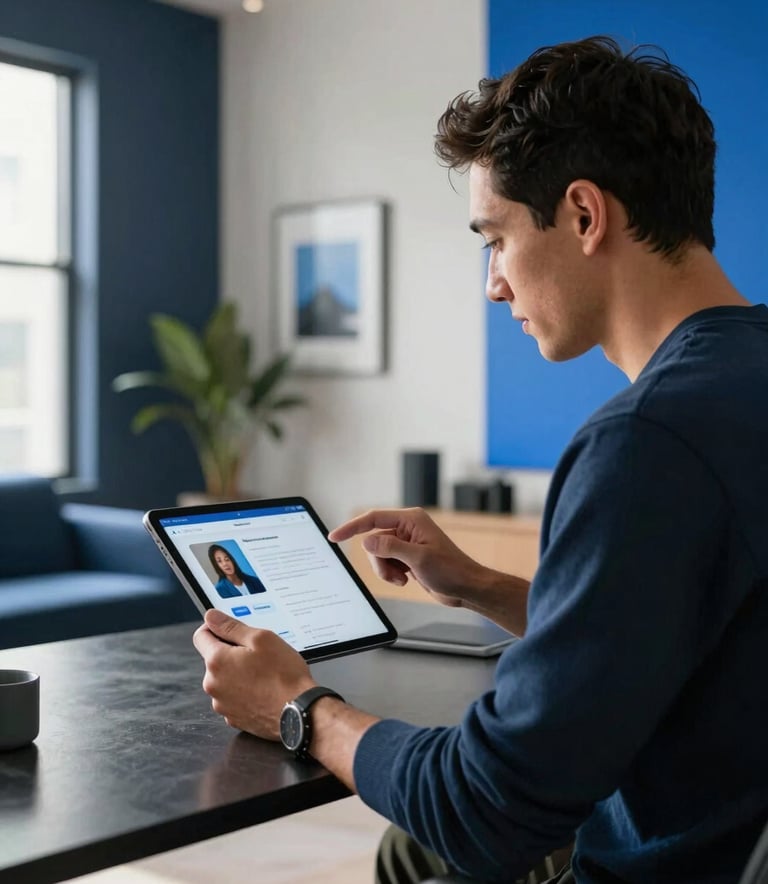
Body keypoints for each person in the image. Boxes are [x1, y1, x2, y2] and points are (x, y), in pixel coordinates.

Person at [192, 35, 768, 884]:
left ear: (584, 215)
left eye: (495, 239)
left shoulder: (646, 442)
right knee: (407, 852)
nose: (494, 283)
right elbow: (695, 637)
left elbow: (486, 809)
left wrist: (297, 708)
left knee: (426, 845)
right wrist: (481, 586)